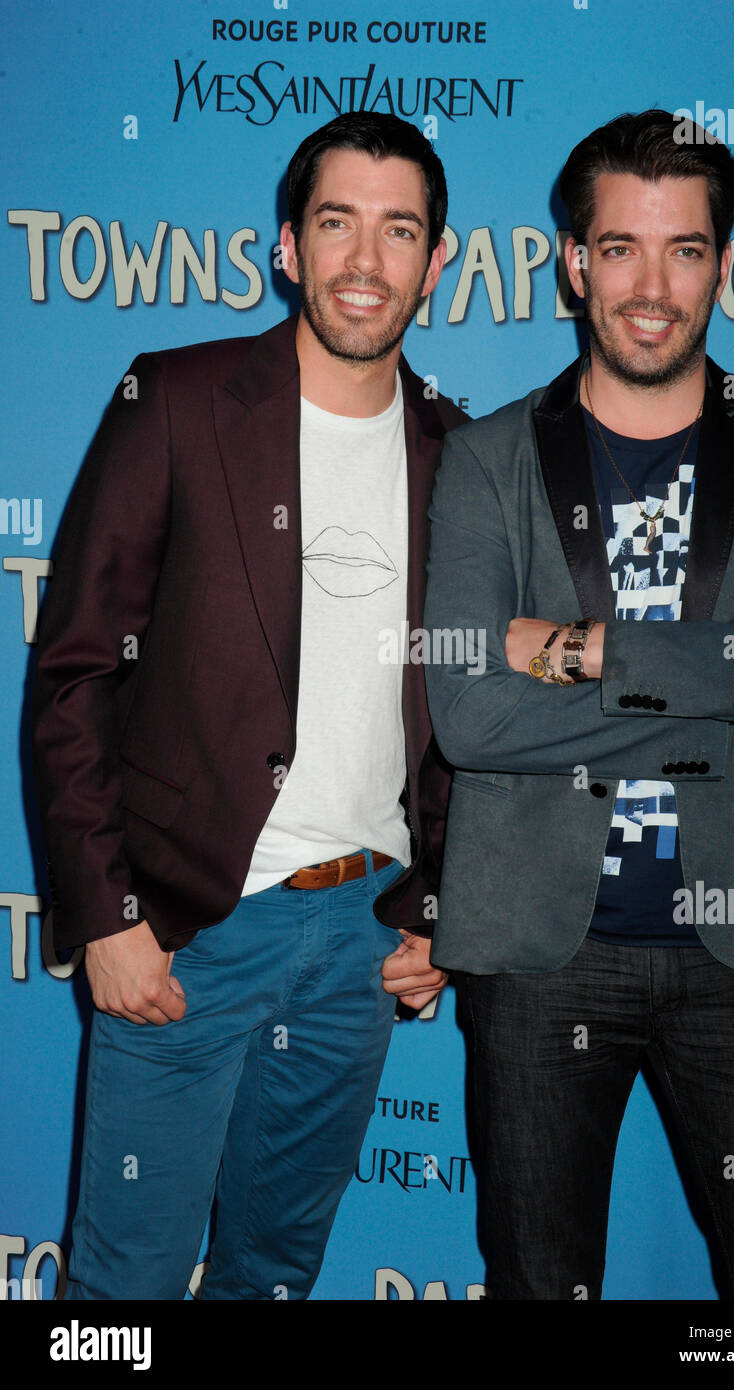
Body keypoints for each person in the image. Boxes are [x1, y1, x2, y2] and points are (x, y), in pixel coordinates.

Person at [424, 109, 734, 1300]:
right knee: (540, 1284)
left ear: (725, 261)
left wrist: (582, 649)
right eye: (620, 248)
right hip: (536, 958)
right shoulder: (487, 459)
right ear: (574, 261)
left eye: (685, 250)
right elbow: (470, 714)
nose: (652, 287)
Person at [32, 111, 463, 1301]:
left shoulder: (461, 456)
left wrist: (440, 906)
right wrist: (106, 911)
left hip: (360, 945)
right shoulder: (174, 400)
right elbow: (73, 673)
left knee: (276, 1272)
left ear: (438, 262)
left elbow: (472, 719)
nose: (366, 261)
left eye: (398, 230)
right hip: (185, 932)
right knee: (120, 1287)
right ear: (288, 247)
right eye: (337, 224)